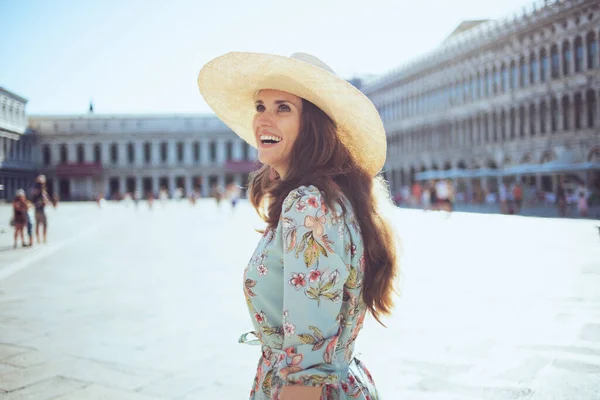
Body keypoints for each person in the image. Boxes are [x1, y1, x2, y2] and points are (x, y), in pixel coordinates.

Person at [198, 52, 399, 400]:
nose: (263, 119)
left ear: (312, 125)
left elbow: (306, 368)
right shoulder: (329, 197)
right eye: (260, 106)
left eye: (283, 108)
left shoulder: (308, 205)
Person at [32, 175, 51, 244]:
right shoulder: (40, 192)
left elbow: (47, 201)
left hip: (39, 211)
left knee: (39, 225)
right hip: (40, 211)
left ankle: (40, 239)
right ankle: (42, 239)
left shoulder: (38, 191)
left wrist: (46, 202)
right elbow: (34, 201)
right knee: (43, 225)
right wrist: (42, 203)